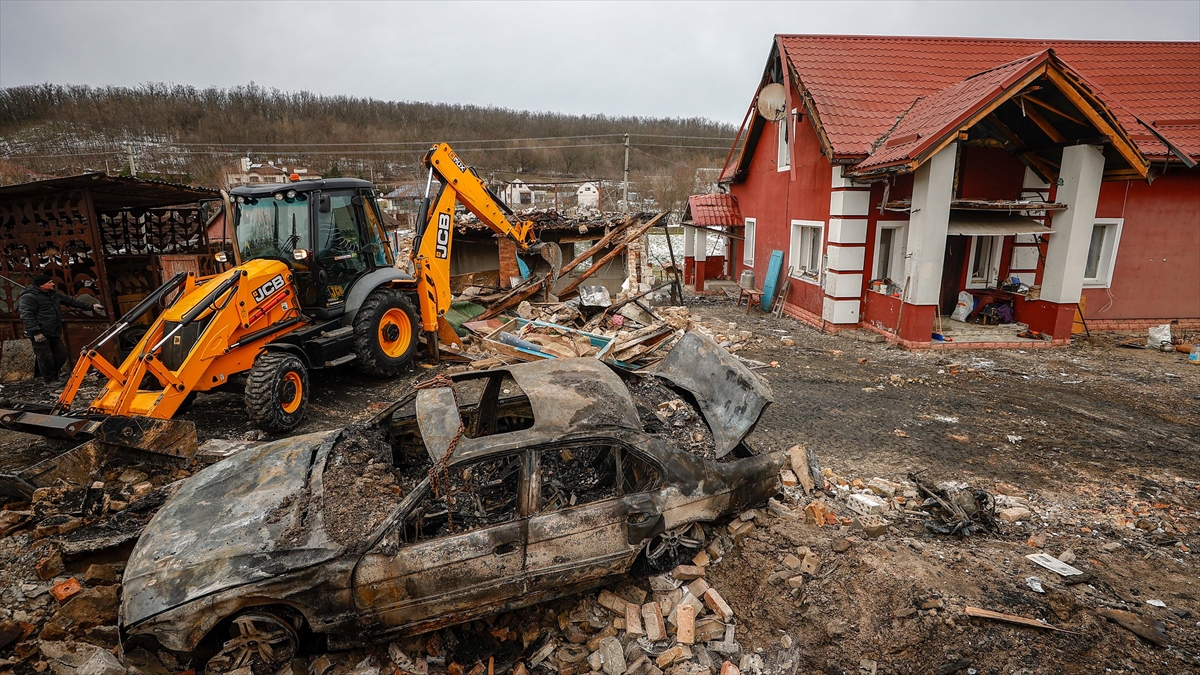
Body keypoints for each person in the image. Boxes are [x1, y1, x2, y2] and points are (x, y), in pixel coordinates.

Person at [18, 274, 105, 385]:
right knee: (45, 357)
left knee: (61, 355)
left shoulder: (53, 294)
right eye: (49, 282)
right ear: (41, 285)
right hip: (39, 333)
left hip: (53, 332)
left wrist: (92, 307)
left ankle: (54, 377)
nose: (53, 284)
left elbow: (72, 302)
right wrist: (36, 332)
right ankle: (49, 380)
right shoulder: (29, 297)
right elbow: (26, 315)